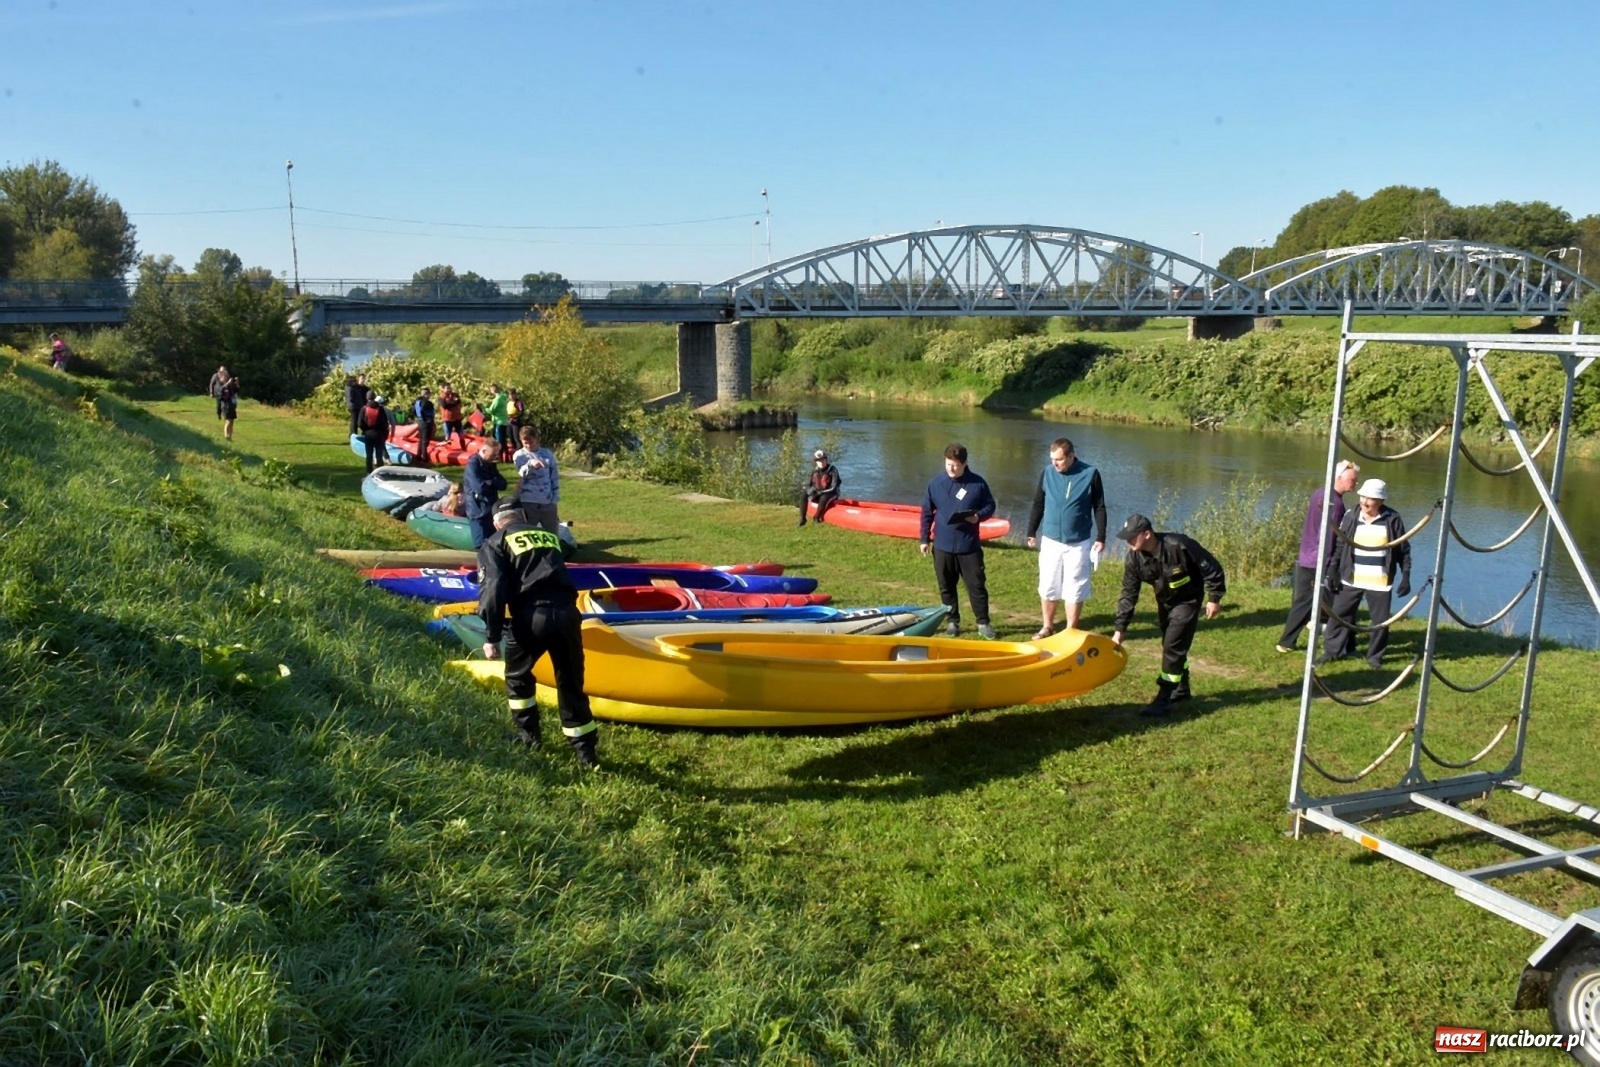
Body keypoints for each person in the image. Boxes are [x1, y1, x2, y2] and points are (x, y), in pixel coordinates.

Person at [478, 498, 599, 769]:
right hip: (568, 613)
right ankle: (586, 753)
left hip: (532, 616)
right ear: (522, 515)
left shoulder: (496, 542)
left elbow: (493, 590)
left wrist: (491, 635)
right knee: (570, 682)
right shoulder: (549, 536)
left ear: (496, 522)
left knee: (518, 677)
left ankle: (529, 737)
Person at [1111, 513, 1226, 717]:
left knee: (1172, 647)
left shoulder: (1178, 545)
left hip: (1188, 601)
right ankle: (1182, 689)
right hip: (1165, 602)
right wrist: (1120, 629)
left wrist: (1214, 598)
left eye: (1132, 537)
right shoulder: (1134, 559)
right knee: (1171, 643)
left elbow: (1211, 567)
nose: (1128, 541)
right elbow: (1128, 594)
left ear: (1147, 534)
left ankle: (1163, 698)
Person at [1320, 478, 1412, 669]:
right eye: (1362, 497)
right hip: (1352, 578)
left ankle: (1375, 657)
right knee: (1338, 616)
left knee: (1379, 622)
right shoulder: (1351, 516)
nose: (1363, 502)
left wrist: (1405, 576)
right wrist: (1333, 569)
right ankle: (1331, 652)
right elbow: (1340, 544)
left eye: (1369, 499)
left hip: (1379, 581)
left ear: (1380, 501)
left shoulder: (1392, 519)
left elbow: (1403, 549)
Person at [1025, 437, 1107, 638]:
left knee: (1075, 585)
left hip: (1078, 542)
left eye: (1059, 459)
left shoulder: (1090, 474)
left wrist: (1101, 536)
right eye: (1052, 459)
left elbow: (1099, 506)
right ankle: (1047, 626)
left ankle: (1071, 630)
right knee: (1048, 583)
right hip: (1051, 539)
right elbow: (1038, 503)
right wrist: (1031, 531)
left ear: (1071, 456)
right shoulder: (1047, 473)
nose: (1055, 463)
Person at [1277, 459, 1360, 654]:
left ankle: (1287, 642)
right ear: (1339, 478)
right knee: (1342, 604)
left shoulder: (1320, 494)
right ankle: (1349, 646)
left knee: (1304, 601)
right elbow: (1331, 535)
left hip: (1307, 555)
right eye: (1352, 480)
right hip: (1320, 560)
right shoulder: (1335, 503)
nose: (1355, 483)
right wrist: (1332, 565)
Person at [918, 443, 999, 639]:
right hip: (943, 545)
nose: (951, 468)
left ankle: (983, 622)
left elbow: (990, 505)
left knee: (976, 586)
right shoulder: (936, 484)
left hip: (968, 546)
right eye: (948, 464)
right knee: (946, 585)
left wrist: (978, 516)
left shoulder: (977, 484)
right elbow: (927, 513)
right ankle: (952, 620)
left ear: (965, 463)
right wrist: (924, 539)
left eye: (955, 465)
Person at [512, 425, 560, 531]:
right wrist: (531, 464)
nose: (528, 446)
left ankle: (552, 548)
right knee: (529, 530)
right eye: (525, 443)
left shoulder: (547, 454)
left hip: (547, 500)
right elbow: (521, 473)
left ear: (537, 439)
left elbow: (554, 476)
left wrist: (555, 497)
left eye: (531, 442)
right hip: (528, 500)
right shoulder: (519, 455)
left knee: (551, 530)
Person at [463, 437, 507, 548]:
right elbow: (480, 488)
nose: (494, 458)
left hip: (491, 510)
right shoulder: (473, 465)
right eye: (492, 455)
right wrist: (493, 483)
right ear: (483, 451)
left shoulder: (491, 465)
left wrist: (490, 482)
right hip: (478, 511)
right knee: (482, 546)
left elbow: (503, 484)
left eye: (496, 455)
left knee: (495, 544)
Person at [797, 449, 841, 527]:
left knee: (824, 497)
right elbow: (808, 484)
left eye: (823, 460)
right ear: (816, 462)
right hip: (818, 492)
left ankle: (817, 517)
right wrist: (809, 490)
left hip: (831, 493)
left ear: (826, 460)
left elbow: (834, 487)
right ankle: (802, 518)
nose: (821, 462)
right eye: (818, 461)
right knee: (804, 493)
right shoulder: (814, 471)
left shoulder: (833, 470)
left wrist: (822, 492)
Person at [357, 393, 390, 473]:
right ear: (375, 398)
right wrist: (382, 431)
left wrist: (365, 430)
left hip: (368, 434)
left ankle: (369, 471)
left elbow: (360, 423)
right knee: (379, 454)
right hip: (379, 433)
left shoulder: (364, 408)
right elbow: (385, 423)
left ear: (367, 398)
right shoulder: (380, 408)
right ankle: (380, 472)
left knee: (369, 454)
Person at [486, 383, 512, 451]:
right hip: (504, 420)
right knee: (503, 439)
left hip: (498, 421)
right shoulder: (504, 397)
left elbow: (491, 411)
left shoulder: (497, 399)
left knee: (499, 439)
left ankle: (499, 454)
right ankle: (505, 455)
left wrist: (483, 408)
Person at [412, 388, 436, 463]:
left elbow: (413, 411)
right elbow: (422, 410)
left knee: (421, 440)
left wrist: (418, 417)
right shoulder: (427, 402)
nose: (430, 395)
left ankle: (418, 456)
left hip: (420, 421)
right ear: (426, 394)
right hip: (426, 422)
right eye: (429, 394)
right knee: (425, 440)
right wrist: (427, 419)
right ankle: (424, 458)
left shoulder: (417, 402)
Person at [438, 382, 464, 446]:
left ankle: (463, 447)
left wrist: (451, 403)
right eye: (447, 388)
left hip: (457, 418)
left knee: (461, 434)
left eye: (450, 388)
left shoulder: (455, 395)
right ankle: (447, 448)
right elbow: (444, 405)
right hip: (447, 419)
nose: (449, 389)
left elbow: (458, 401)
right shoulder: (441, 397)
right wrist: (453, 402)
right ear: (443, 389)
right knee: (448, 435)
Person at [218, 370, 240, 442]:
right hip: (225, 405)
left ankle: (230, 436)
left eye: (227, 376)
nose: (227, 378)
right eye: (225, 376)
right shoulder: (220, 384)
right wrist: (227, 383)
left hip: (231, 404)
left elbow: (236, 390)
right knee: (228, 421)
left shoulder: (230, 385)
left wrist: (237, 383)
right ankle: (226, 436)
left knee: (232, 421)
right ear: (221, 377)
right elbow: (219, 392)